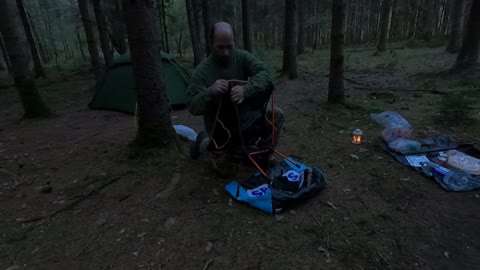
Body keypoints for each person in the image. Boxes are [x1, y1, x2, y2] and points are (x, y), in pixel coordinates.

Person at [187, 22, 283, 164]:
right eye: (220, 47)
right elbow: (192, 105)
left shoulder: (242, 57)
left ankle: (263, 153)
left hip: (245, 117)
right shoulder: (202, 71)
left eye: (229, 47)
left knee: (277, 114)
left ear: (234, 42)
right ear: (211, 42)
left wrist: (246, 90)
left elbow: (265, 74)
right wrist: (210, 92)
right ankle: (203, 141)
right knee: (225, 166)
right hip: (220, 128)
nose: (226, 52)